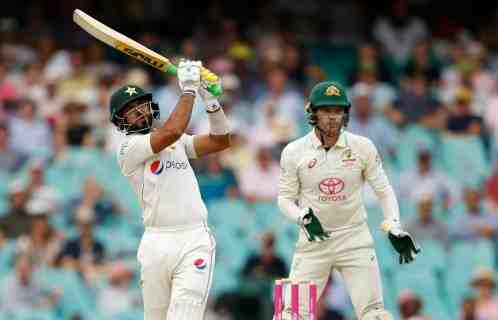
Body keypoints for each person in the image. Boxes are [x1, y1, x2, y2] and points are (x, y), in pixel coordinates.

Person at [277, 81, 420, 320]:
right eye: (326, 110)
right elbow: (284, 199)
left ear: (345, 113)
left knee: (375, 314)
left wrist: (393, 225)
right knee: (289, 315)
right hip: (313, 243)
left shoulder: (363, 147)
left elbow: (384, 191)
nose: (333, 117)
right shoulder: (294, 151)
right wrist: (302, 217)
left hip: (355, 239)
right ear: (312, 113)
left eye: (338, 110)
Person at [112, 60, 230, 320]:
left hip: (194, 238)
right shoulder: (127, 149)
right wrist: (189, 90)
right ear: (121, 120)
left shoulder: (177, 143)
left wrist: (210, 100)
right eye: (131, 111)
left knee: (184, 315)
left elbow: (220, 140)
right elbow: (173, 130)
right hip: (156, 241)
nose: (140, 113)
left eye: (141, 105)